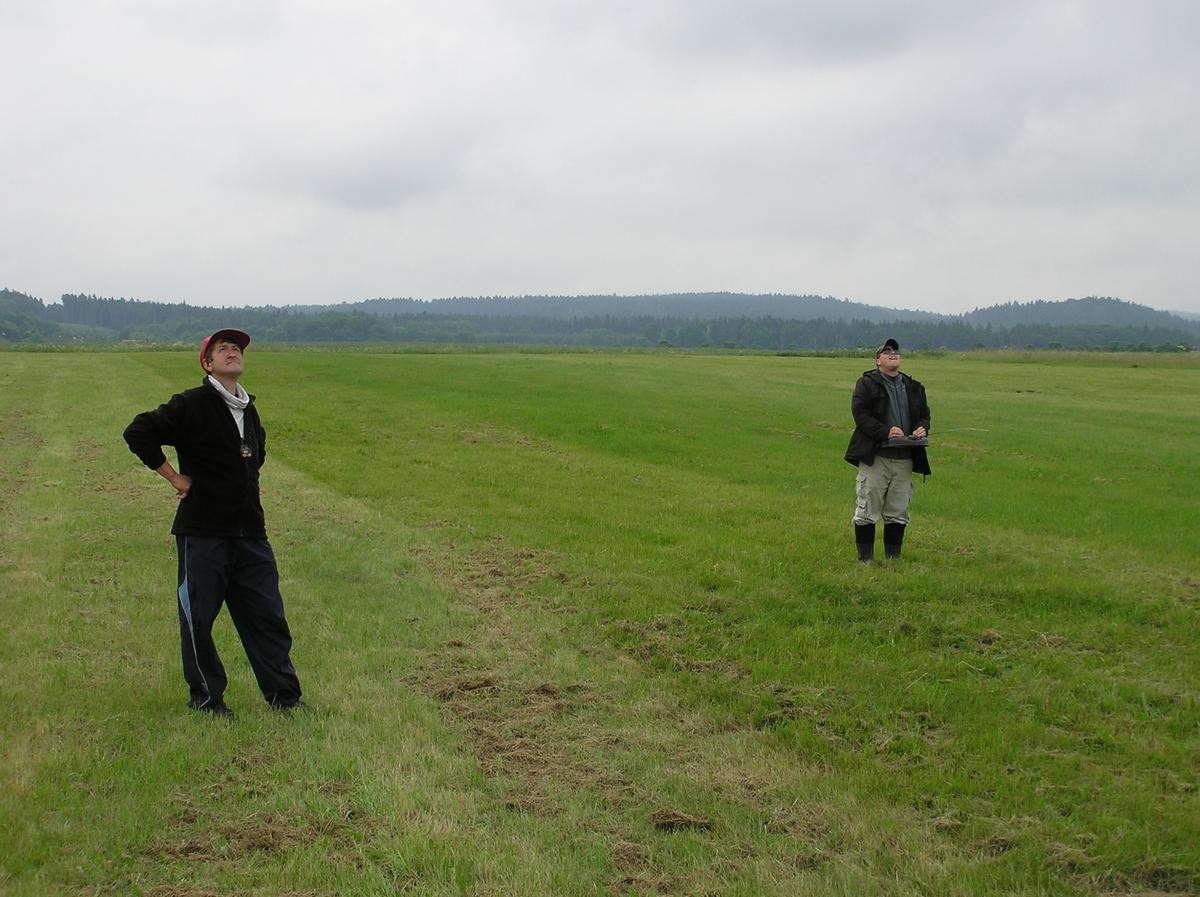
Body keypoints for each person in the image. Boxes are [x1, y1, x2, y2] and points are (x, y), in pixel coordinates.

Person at [123, 328, 303, 717]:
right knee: (199, 620)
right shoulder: (192, 404)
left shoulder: (249, 409)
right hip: (203, 532)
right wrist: (174, 477)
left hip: (251, 533)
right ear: (207, 363)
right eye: (223, 348)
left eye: (237, 348)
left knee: (267, 617)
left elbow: (255, 458)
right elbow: (138, 432)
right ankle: (207, 699)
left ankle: (285, 698)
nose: (233, 352)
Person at [843, 338, 931, 562]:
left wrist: (922, 427)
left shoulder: (914, 387)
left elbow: (924, 415)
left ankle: (894, 560)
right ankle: (865, 561)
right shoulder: (866, 384)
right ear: (878, 360)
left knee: (898, 511)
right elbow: (860, 415)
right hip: (876, 457)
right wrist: (885, 431)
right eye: (887, 351)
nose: (893, 354)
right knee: (867, 510)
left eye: (896, 351)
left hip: (905, 459)